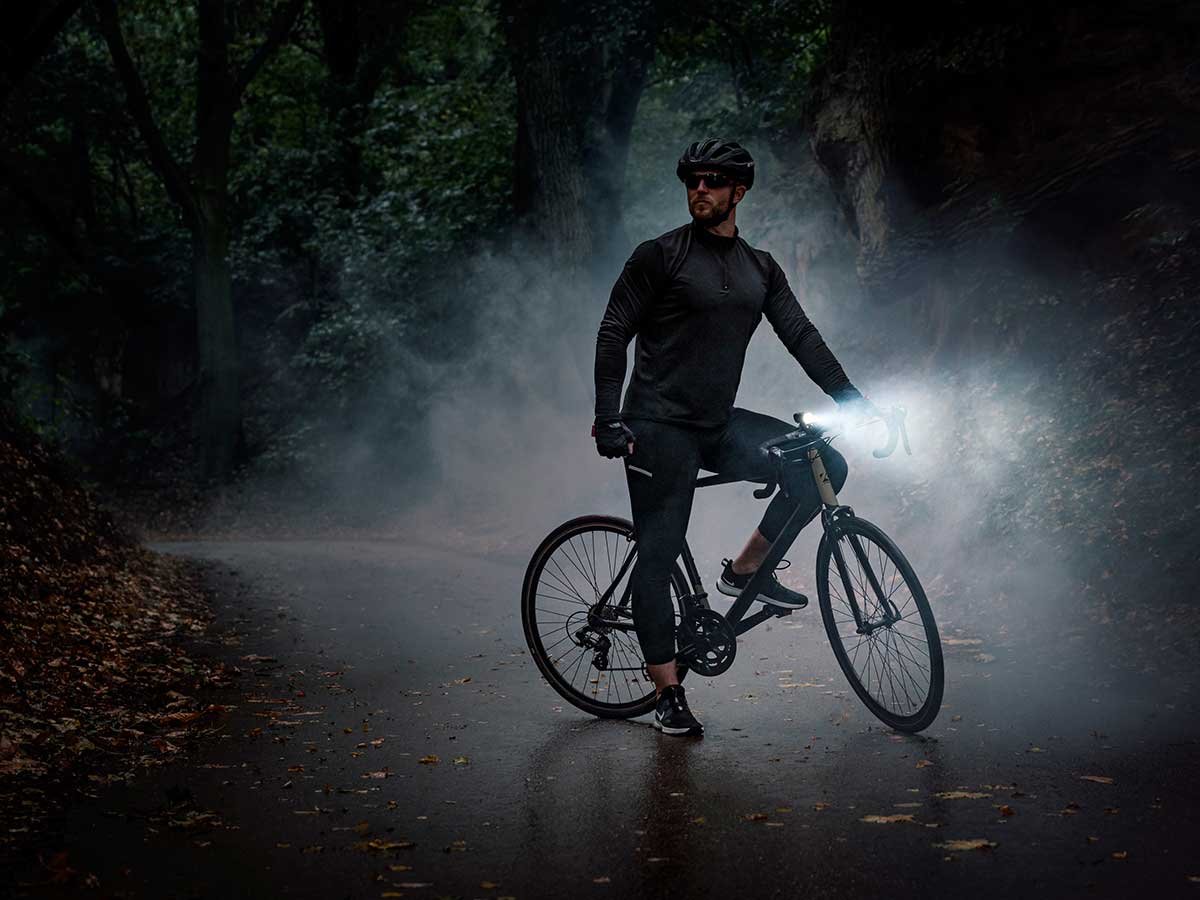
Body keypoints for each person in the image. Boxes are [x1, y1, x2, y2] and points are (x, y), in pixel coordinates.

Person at [592, 138, 877, 736]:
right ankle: (668, 693)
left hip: (716, 423)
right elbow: (614, 330)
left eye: (713, 181)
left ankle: (745, 571)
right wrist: (608, 416)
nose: (700, 189)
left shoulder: (760, 268)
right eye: (692, 180)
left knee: (823, 465)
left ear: (738, 192)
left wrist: (850, 398)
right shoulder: (659, 256)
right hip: (657, 425)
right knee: (659, 551)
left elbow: (801, 335)